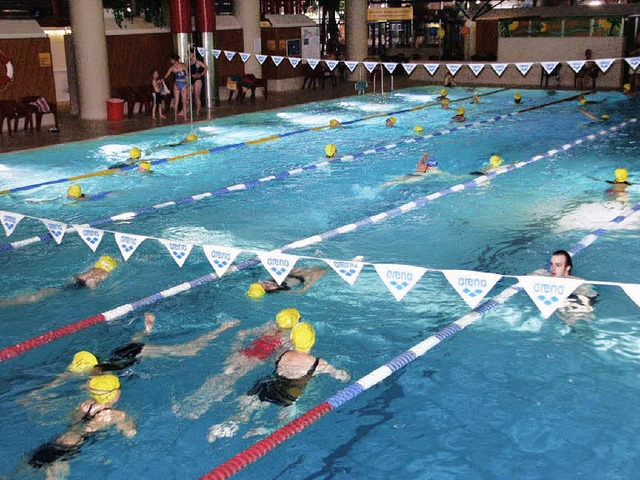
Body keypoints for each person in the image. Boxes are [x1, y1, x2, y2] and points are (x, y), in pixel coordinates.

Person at [18, 313, 239, 410]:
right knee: (131, 344)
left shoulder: (92, 377)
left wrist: (37, 395)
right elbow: (58, 380)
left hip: (134, 353)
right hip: (121, 352)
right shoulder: (93, 371)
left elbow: (59, 382)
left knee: (188, 351)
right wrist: (36, 395)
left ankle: (223, 327)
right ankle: (146, 329)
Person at [207, 322, 349, 442]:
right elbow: (339, 376)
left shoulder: (284, 354)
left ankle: (220, 428)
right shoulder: (319, 363)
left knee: (244, 412)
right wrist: (343, 374)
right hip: (287, 396)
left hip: (265, 385)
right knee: (283, 424)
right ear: (313, 341)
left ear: (293, 340)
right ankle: (262, 430)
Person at [172, 308, 301, 419]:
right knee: (229, 381)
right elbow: (279, 358)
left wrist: (236, 347)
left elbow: (241, 333)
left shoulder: (269, 326)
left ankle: (190, 399)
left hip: (241, 353)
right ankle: (203, 406)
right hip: (252, 361)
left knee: (220, 376)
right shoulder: (287, 338)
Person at [27, 374, 136, 479]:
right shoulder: (116, 415)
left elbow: (71, 419)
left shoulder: (85, 405)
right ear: (115, 394)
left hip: (59, 439)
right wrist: (131, 422)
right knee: (54, 476)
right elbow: (130, 433)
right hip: (74, 445)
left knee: (32, 464)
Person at [0, 255, 118, 307]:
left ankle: (6, 301)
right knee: (33, 299)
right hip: (71, 289)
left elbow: (75, 277)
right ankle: (6, 303)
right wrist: (93, 292)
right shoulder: (104, 273)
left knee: (35, 295)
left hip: (69, 285)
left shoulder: (92, 269)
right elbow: (90, 282)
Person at [533, 250, 598, 325]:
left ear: (567, 268)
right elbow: (529, 276)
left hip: (576, 300)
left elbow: (589, 299)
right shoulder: (545, 274)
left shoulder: (579, 283)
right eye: (551, 264)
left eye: (558, 265)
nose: (553, 268)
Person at [246, 264, 336, 298]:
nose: (262, 281)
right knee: (326, 269)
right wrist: (313, 279)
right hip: (309, 275)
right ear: (268, 289)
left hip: (298, 273)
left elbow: (283, 272)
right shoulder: (285, 290)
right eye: (263, 284)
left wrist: (291, 270)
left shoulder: (270, 280)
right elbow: (302, 290)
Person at [382, 153, 446, 187]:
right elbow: (445, 175)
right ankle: (389, 183)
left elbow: (423, 158)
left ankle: (385, 184)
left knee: (396, 180)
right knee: (399, 182)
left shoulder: (421, 164)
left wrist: (425, 155)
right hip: (418, 177)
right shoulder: (434, 170)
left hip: (410, 174)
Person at [164, 54, 189, 120]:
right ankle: (185, 117)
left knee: (176, 101)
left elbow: (166, 76)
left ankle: (175, 117)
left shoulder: (172, 67)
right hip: (183, 83)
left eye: (171, 60)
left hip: (176, 83)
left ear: (173, 60)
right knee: (184, 101)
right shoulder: (183, 66)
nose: (171, 61)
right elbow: (187, 74)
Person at [189, 50, 209, 117]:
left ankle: (198, 112)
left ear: (193, 54)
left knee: (197, 96)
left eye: (190, 54)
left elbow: (206, 68)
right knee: (189, 96)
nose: (189, 55)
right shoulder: (188, 62)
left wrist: (200, 74)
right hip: (191, 79)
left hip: (197, 80)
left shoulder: (197, 62)